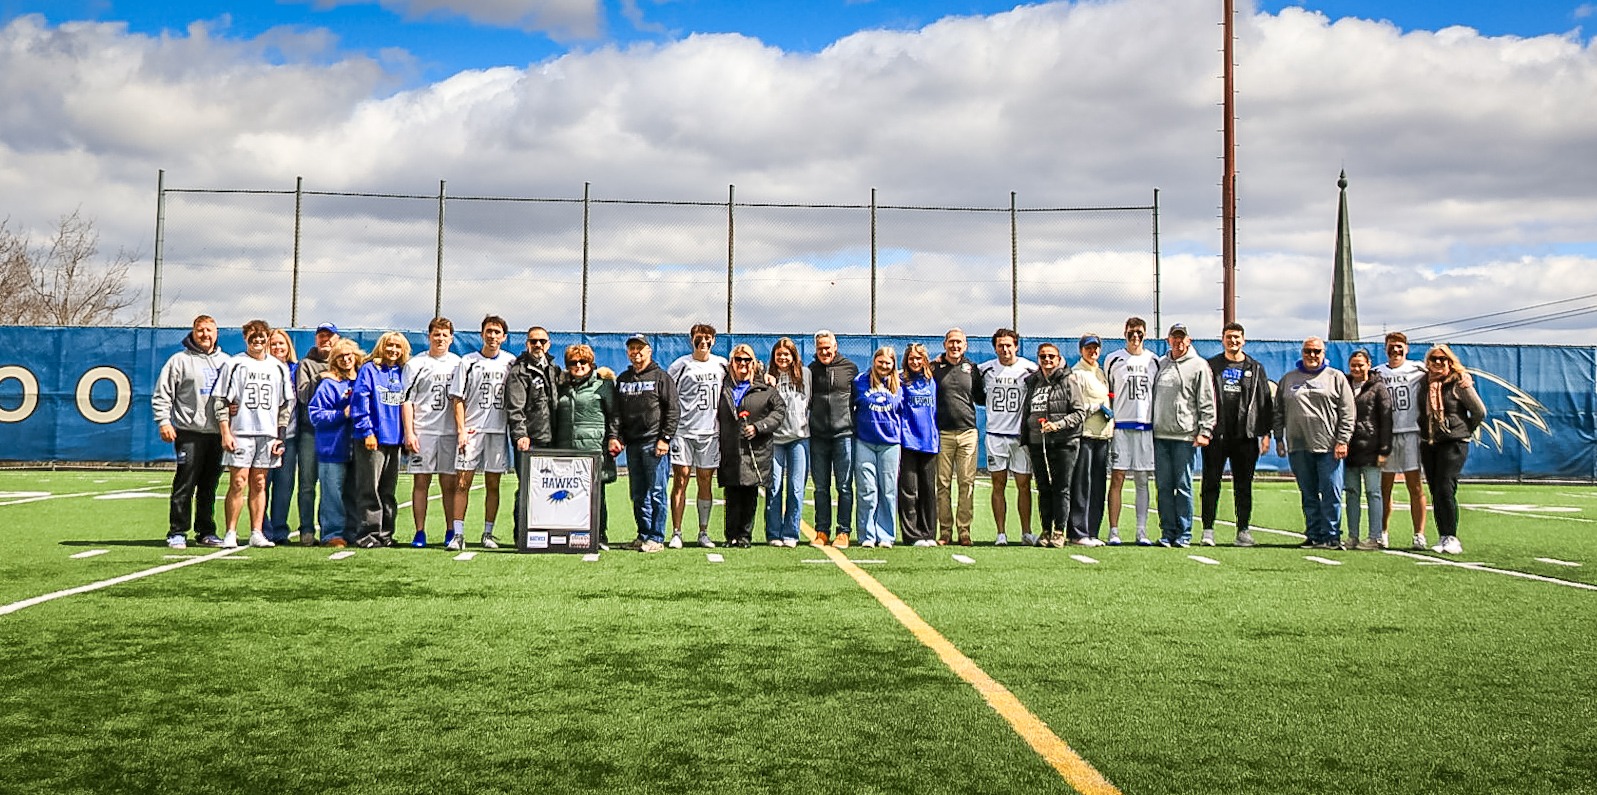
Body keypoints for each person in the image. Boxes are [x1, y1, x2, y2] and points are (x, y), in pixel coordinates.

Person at [215, 320, 294, 549]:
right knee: (238, 482)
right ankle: (230, 532)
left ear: (267, 337)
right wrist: (225, 432)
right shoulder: (235, 364)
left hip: (267, 434)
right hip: (241, 431)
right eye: (253, 336)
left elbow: (286, 404)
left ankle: (257, 531)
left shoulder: (278, 367)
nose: (258, 341)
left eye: (262, 336)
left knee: (259, 482)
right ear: (245, 337)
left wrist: (280, 435)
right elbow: (221, 400)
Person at [153, 314, 229, 549]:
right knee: (185, 483)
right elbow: (163, 393)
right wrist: (164, 421)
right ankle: (177, 531)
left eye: (209, 330)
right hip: (189, 431)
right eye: (200, 331)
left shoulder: (226, 361)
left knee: (209, 485)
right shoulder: (179, 361)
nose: (205, 335)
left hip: (217, 434)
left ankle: (206, 531)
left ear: (216, 333)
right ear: (193, 333)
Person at [1274, 336, 1356, 549]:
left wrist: (1343, 440)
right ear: (1302, 353)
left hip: (1329, 446)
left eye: (1316, 352)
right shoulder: (1289, 379)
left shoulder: (1336, 377)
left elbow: (1348, 413)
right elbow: (1278, 412)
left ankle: (1331, 536)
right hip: (1298, 445)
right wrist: (1278, 438)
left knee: (1331, 492)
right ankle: (1314, 534)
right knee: (1308, 493)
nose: (1312, 355)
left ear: (1323, 353)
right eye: (1308, 351)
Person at [1199, 322, 1273, 547]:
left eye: (1237, 338)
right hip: (1217, 436)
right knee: (1211, 483)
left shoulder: (1255, 368)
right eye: (1229, 337)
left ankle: (1243, 530)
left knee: (1243, 485)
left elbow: (1264, 402)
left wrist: (1266, 433)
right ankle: (1208, 530)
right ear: (1222, 339)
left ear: (1244, 340)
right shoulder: (1211, 366)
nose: (1233, 341)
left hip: (1245, 437)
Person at [449, 315, 516, 550]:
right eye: (489, 331)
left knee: (493, 484)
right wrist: (461, 430)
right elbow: (457, 398)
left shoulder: (510, 362)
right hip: (472, 431)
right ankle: (458, 534)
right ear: (482, 334)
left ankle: (488, 533)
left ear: (504, 337)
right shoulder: (468, 361)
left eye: (497, 332)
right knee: (462, 483)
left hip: (497, 430)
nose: (493, 336)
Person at [1151, 324, 1216, 548]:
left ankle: (1184, 533)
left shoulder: (1199, 366)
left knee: (1183, 485)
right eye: (1174, 337)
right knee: (1164, 486)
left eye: (1182, 338)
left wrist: (1205, 431)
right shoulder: (1161, 364)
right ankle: (1167, 532)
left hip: (1185, 436)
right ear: (1168, 339)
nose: (1178, 341)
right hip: (1160, 435)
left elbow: (1207, 400)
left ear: (1188, 340)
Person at [716, 343, 787, 548]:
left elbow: (779, 411)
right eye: (739, 360)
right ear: (732, 364)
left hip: (756, 449)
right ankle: (731, 536)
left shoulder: (765, 388)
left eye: (747, 361)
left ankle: (745, 536)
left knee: (749, 493)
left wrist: (759, 427)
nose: (743, 365)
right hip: (730, 447)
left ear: (754, 364)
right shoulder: (723, 386)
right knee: (732, 492)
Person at [1418, 345, 1486, 556]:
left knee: (1446, 487)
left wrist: (1463, 429)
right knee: (1436, 489)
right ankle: (1443, 535)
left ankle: (1452, 536)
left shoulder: (1458, 382)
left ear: (1450, 362)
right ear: (1427, 362)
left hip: (1453, 442)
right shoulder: (1423, 383)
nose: (1438, 363)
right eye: (1434, 359)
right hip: (1429, 441)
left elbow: (1479, 411)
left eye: (1442, 359)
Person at [553, 344, 621, 548]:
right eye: (573, 362)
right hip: (566, 446)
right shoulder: (561, 387)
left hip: (594, 447)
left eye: (583, 362)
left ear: (591, 364)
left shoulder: (603, 386)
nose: (579, 365)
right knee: (567, 492)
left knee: (595, 492)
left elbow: (614, 415)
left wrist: (613, 437)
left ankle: (599, 534)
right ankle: (570, 533)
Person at [668, 323, 729, 549]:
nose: (703, 343)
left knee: (705, 480)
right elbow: (667, 392)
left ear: (713, 341)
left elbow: (744, 378)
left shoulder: (722, 364)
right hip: (684, 431)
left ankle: (703, 532)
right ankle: (677, 531)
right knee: (681, 479)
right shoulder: (681, 365)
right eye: (698, 339)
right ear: (691, 340)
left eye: (707, 339)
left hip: (710, 432)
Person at [401, 317, 461, 547]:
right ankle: (419, 532)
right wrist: (410, 432)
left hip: (448, 432)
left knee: (449, 484)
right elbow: (406, 401)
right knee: (421, 482)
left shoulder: (458, 363)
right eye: (436, 334)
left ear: (451, 338)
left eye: (445, 335)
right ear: (429, 336)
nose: (440, 339)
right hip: (423, 430)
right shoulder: (416, 364)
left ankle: (449, 531)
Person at [616, 334, 678, 553]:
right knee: (638, 493)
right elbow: (618, 413)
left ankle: (657, 537)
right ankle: (643, 535)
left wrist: (665, 438)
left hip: (654, 444)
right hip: (633, 445)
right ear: (628, 352)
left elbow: (672, 410)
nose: (636, 352)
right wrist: (618, 437)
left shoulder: (661, 377)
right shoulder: (623, 379)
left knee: (657, 491)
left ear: (649, 351)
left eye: (640, 348)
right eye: (632, 348)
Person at [1022, 342, 1088, 547]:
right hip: (1037, 442)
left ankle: (1060, 530)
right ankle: (1045, 530)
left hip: (1064, 442)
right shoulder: (1033, 381)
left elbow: (1079, 413)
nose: (1047, 360)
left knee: (1061, 488)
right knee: (1043, 487)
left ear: (1058, 359)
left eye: (1051, 356)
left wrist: (1058, 425)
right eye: (1043, 357)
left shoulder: (1069, 380)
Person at [349, 331, 409, 547]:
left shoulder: (404, 372)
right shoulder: (369, 370)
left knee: (388, 491)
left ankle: (386, 534)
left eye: (398, 347)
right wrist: (367, 431)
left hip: (395, 440)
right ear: (382, 347)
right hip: (373, 438)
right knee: (369, 489)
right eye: (389, 345)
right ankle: (368, 534)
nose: (393, 350)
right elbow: (360, 401)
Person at [978, 328, 1038, 546]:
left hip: (1020, 436)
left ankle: (1026, 532)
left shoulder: (1030, 369)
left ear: (1016, 346)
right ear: (995, 347)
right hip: (995, 435)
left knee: (1024, 484)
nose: (1005, 349)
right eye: (1000, 345)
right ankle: (1001, 533)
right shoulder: (985, 370)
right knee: (998, 484)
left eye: (1008, 345)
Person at [1103, 317, 1158, 546]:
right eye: (1131, 333)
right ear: (1124, 333)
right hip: (1121, 427)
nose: (1135, 337)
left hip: (1145, 427)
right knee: (1117, 477)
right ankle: (1114, 530)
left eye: (1139, 333)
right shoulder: (1113, 359)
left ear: (1145, 335)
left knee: (1143, 479)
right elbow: (1107, 391)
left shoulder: (1154, 360)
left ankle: (1141, 530)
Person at [1374, 331, 1431, 549]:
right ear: (1385, 348)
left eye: (1399, 346)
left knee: (1414, 486)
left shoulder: (1417, 369)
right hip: (1387, 435)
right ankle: (1382, 532)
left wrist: (1463, 376)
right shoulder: (1377, 372)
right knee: (1384, 487)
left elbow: (1443, 373)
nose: (1395, 350)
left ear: (1406, 349)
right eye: (1391, 346)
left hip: (1411, 432)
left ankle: (1419, 534)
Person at [506, 326, 560, 546]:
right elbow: (514, 407)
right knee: (527, 487)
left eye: (542, 341)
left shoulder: (554, 368)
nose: (537, 345)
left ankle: (545, 532)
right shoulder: (519, 371)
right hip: (530, 439)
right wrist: (520, 434)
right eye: (533, 341)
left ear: (548, 344)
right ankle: (522, 534)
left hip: (553, 439)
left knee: (550, 488)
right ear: (527, 344)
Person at [932, 328, 984, 546]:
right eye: (951, 342)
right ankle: (945, 531)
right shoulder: (934, 368)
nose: (955, 346)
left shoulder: (972, 369)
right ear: (945, 344)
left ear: (965, 345)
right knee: (943, 484)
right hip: (942, 433)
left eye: (959, 343)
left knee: (966, 483)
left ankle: (964, 531)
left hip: (968, 433)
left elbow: (981, 397)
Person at [308, 340, 361, 547]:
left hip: (359, 447)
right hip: (332, 447)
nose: (346, 359)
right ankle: (332, 533)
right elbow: (316, 415)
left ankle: (355, 531)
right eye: (340, 356)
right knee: (332, 494)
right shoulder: (329, 384)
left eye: (349, 355)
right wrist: (342, 414)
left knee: (354, 492)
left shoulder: (363, 381)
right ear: (334, 361)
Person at [808, 330, 858, 548]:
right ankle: (821, 531)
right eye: (820, 348)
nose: (824, 352)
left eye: (827, 348)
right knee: (820, 487)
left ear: (835, 347)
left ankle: (844, 531)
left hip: (843, 435)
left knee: (844, 486)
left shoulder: (850, 369)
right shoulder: (810, 371)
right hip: (818, 436)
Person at [293, 322, 340, 545]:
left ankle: (331, 530)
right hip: (310, 433)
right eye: (322, 336)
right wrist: (322, 378)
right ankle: (306, 529)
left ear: (337, 339)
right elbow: (303, 396)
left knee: (332, 486)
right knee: (307, 484)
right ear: (316, 339)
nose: (326, 340)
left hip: (337, 434)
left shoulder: (343, 361)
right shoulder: (306, 364)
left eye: (330, 336)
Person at [853, 346, 904, 548]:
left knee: (888, 491)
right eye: (880, 362)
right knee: (867, 490)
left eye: (888, 363)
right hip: (865, 441)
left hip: (890, 443)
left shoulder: (900, 385)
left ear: (893, 364)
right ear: (874, 361)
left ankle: (886, 535)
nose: (883, 366)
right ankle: (866, 535)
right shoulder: (860, 381)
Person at [1344, 350, 1393, 551]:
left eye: (1360, 365)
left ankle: (1375, 537)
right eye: (1353, 365)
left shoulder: (1379, 388)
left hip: (1371, 449)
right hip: (1349, 449)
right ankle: (1352, 536)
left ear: (1368, 365)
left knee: (1374, 492)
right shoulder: (1344, 385)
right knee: (1352, 493)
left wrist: (1384, 449)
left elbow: (1386, 420)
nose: (1357, 369)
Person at [765, 337, 810, 547]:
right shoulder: (768, 376)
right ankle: (774, 533)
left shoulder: (805, 375)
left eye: (787, 354)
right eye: (779, 354)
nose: (783, 358)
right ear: (774, 356)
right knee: (773, 486)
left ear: (793, 356)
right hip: (774, 439)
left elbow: (809, 402)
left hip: (799, 438)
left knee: (796, 487)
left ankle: (791, 533)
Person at [1068, 335, 1111, 544]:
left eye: (1095, 348)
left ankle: (1092, 530)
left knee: (1097, 485)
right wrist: (1094, 408)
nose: (1092, 351)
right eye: (1088, 348)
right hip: (1084, 434)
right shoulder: (1077, 373)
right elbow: (1074, 407)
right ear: (1081, 350)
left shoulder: (1101, 372)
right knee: (1081, 484)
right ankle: (1078, 531)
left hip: (1102, 435)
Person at [898, 343, 940, 547]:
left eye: (919, 358)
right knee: (908, 491)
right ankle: (912, 535)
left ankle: (928, 533)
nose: (915, 362)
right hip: (908, 442)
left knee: (928, 490)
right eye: (911, 358)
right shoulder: (900, 380)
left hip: (929, 442)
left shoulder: (931, 380)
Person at [263, 329, 300, 544]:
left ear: (288, 347)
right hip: (263, 437)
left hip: (290, 436)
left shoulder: (296, 370)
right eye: (273, 344)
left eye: (281, 344)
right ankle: (262, 528)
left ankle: (280, 530)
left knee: (284, 486)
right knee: (262, 484)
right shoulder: (259, 368)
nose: (278, 348)